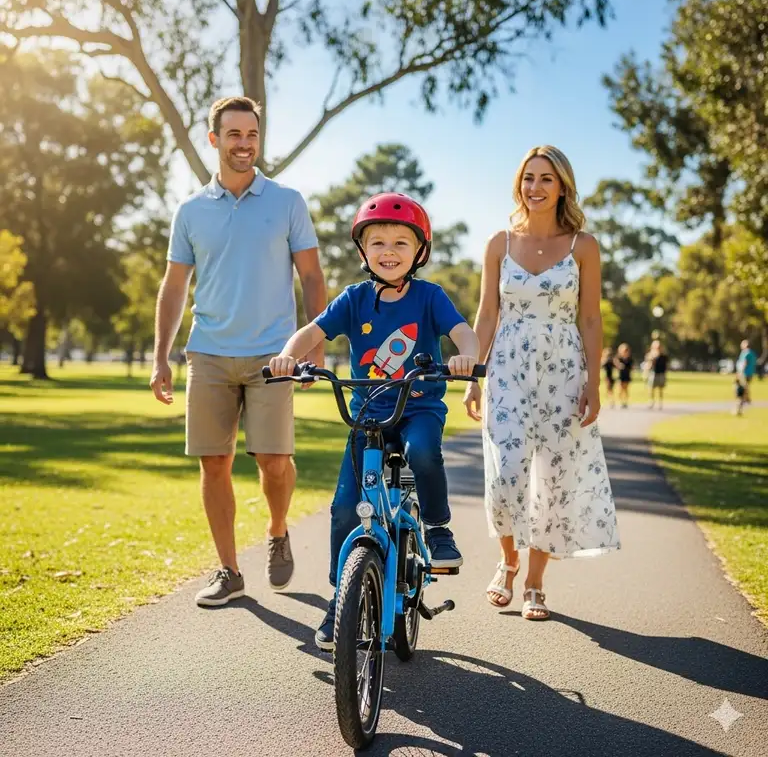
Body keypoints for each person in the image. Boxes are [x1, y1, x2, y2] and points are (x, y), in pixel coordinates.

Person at [269, 192, 480, 650]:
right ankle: (340, 597)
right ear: (363, 251)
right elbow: (313, 332)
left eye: (401, 243)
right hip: (367, 413)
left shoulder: (430, 297)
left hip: (418, 406)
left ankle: (438, 530)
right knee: (345, 507)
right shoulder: (354, 299)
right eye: (378, 241)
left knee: (423, 451)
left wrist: (468, 355)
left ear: (420, 252)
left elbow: (462, 330)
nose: (389, 251)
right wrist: (288, 357)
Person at [150, 96, 327, 607]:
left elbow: (311, 275)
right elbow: (174, 286)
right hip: (208, 354)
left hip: (276, 355)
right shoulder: (190, 211)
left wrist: (312, 345)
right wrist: (161, 355)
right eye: (234, 135)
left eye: (252, 134)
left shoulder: (287, 201)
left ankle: (276, 530)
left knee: (274, 461)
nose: (244, 144)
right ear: (215, 140)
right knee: (214, 464)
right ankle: (228, 570)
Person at [465, 145, 620, 621]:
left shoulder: (583, 246)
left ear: (562, 186)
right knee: (506, 470)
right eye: (528, 178)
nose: (535, 187)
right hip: (508, 367)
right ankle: (508, 561)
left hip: (563, 370)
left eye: (546, 179)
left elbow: (590, 318)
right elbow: (488, 313)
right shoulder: (499, 242)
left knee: (552, 479)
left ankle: (534, 582)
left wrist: (594, 382)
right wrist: (475, 375)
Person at [646, 339, 668, 410]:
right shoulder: (651, 355)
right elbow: (649, 364)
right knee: (651, 388)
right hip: (653, 373)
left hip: (661, 373)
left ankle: (660, 402)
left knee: (660, 389)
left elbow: (666, 365)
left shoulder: (663, 355)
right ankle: (651, 401)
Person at [736, 339, 758, 404]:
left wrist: (739, 372)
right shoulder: (752, 353)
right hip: (750, 373)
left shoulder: (745, 353)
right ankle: (747, 398)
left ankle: (744, 400)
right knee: (746, 386)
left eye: (742, 344)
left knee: (743, 387)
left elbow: (744, 363)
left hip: (744, 373)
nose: (741, 345)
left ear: (745, 345)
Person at [615, 343, 633, 409]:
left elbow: (631, 367)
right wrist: (619, 365)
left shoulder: (630, 359)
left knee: (626, 389)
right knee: (620, 389)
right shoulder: (619, 358)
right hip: (621, 376)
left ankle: (625, 402)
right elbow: (616, 364)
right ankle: (621, 402)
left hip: (627, 376)